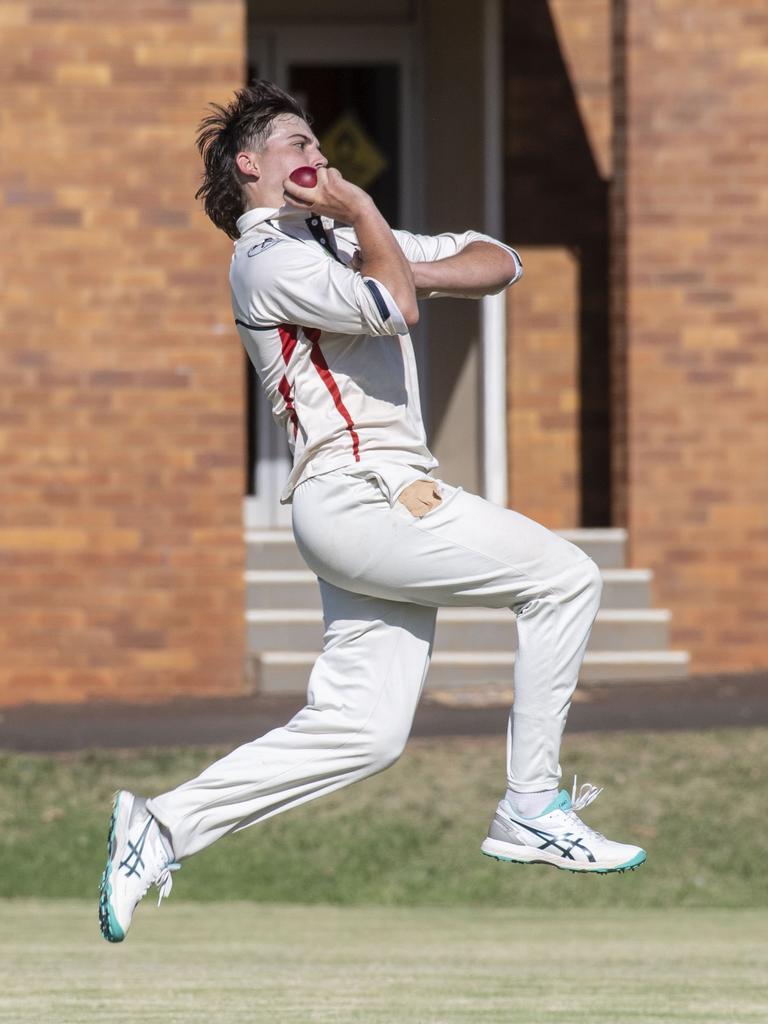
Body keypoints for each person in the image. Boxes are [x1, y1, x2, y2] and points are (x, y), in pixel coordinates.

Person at [98, 80, 645, 944]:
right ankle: (533, 805)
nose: (317, 155)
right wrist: (369, 221)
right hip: (364, 491)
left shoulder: (345, 243)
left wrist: (388, 250)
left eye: (319, 141)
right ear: (250, 166)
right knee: (565, 577)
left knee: (364, 732)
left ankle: (160, 827)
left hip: (365, 504)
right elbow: (395, 310)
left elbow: (501, 259)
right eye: (295, 143)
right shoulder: (269, 257)